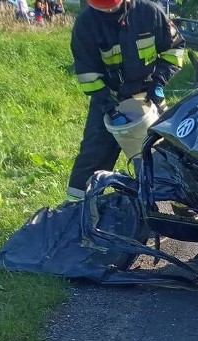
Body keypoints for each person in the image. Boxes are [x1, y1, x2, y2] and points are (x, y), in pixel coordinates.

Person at [66, 0, 184, 201]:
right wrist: (108, 107)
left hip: (148, 96)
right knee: (92, 158)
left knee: (167, 155)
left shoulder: (150, 13)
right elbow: (88, 75)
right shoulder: (86, 24)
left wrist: (158, 83)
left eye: (113, 8)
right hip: (109, 99)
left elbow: (174, 49)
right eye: (104, 10)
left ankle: (181, 206)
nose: (110, 13)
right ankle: (76, 211)